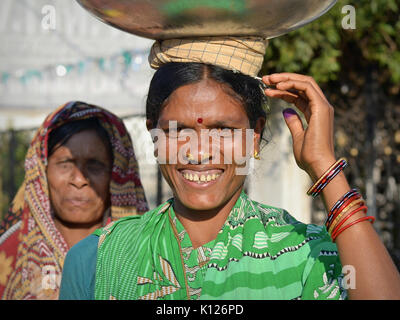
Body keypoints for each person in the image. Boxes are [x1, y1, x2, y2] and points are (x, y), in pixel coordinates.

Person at [59, 37, 400, 300]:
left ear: (255, 136)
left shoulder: (304, 253)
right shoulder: (96, 258)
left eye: (223, 130)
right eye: (179, 131)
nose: (199, 152)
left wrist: (325, 166)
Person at [0, 101, 148, 299]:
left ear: (115, 176)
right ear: (42, 172)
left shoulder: (146, 252)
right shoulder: (9, 251)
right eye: (65, 164)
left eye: (95, 165)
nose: (79, 180)